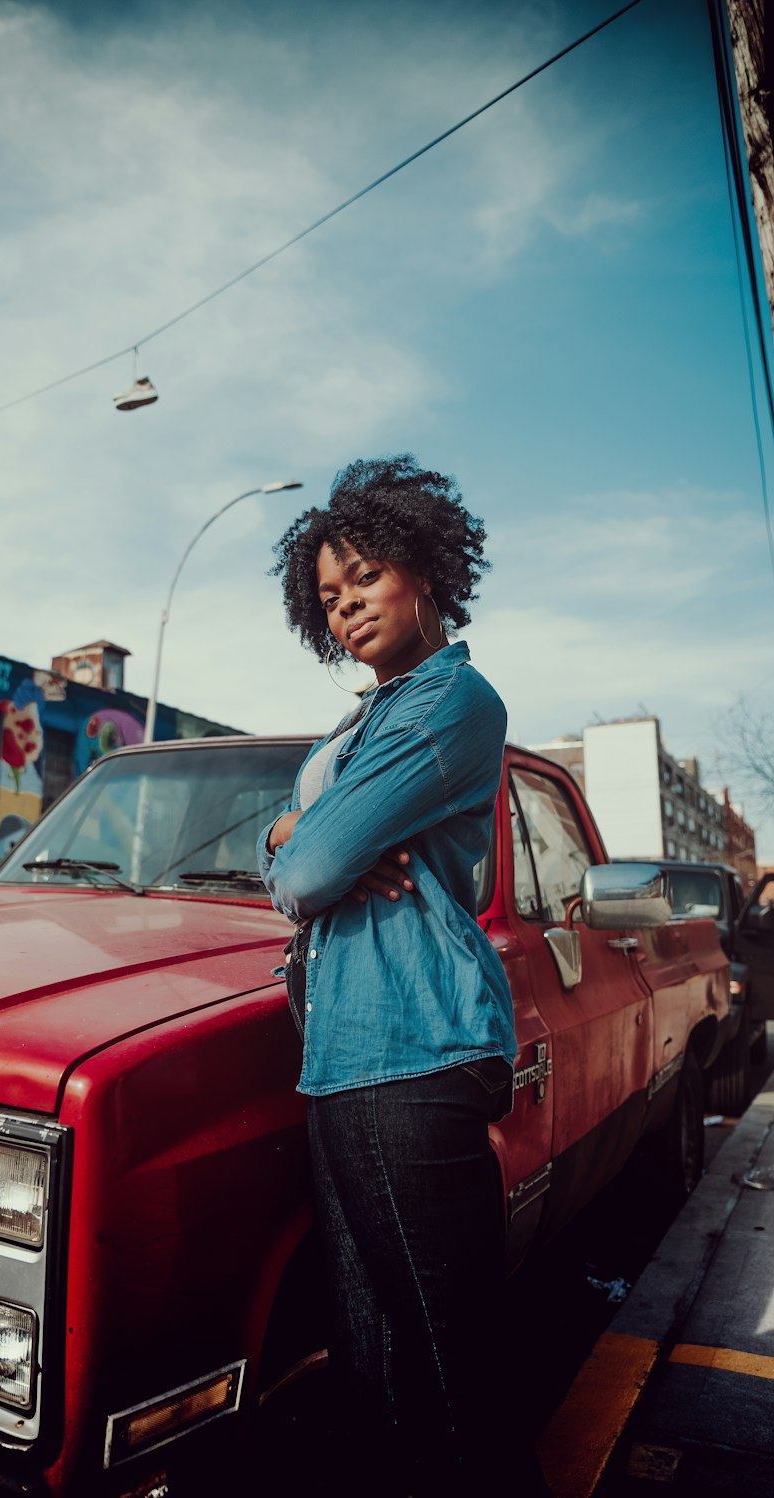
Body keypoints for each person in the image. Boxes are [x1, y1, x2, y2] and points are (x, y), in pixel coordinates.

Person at [257, 456, 546, 1497]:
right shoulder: (356, 725)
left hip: (413, 1046)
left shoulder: (451, 702)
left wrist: (307, 846)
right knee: (370, 1353)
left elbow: (314, 869)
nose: (346, 611)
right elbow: (292, 850)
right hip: (343, 1055)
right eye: (328, 600)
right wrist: (297, 834)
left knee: (447, 1351)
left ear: (422, 570)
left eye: (364, 580)